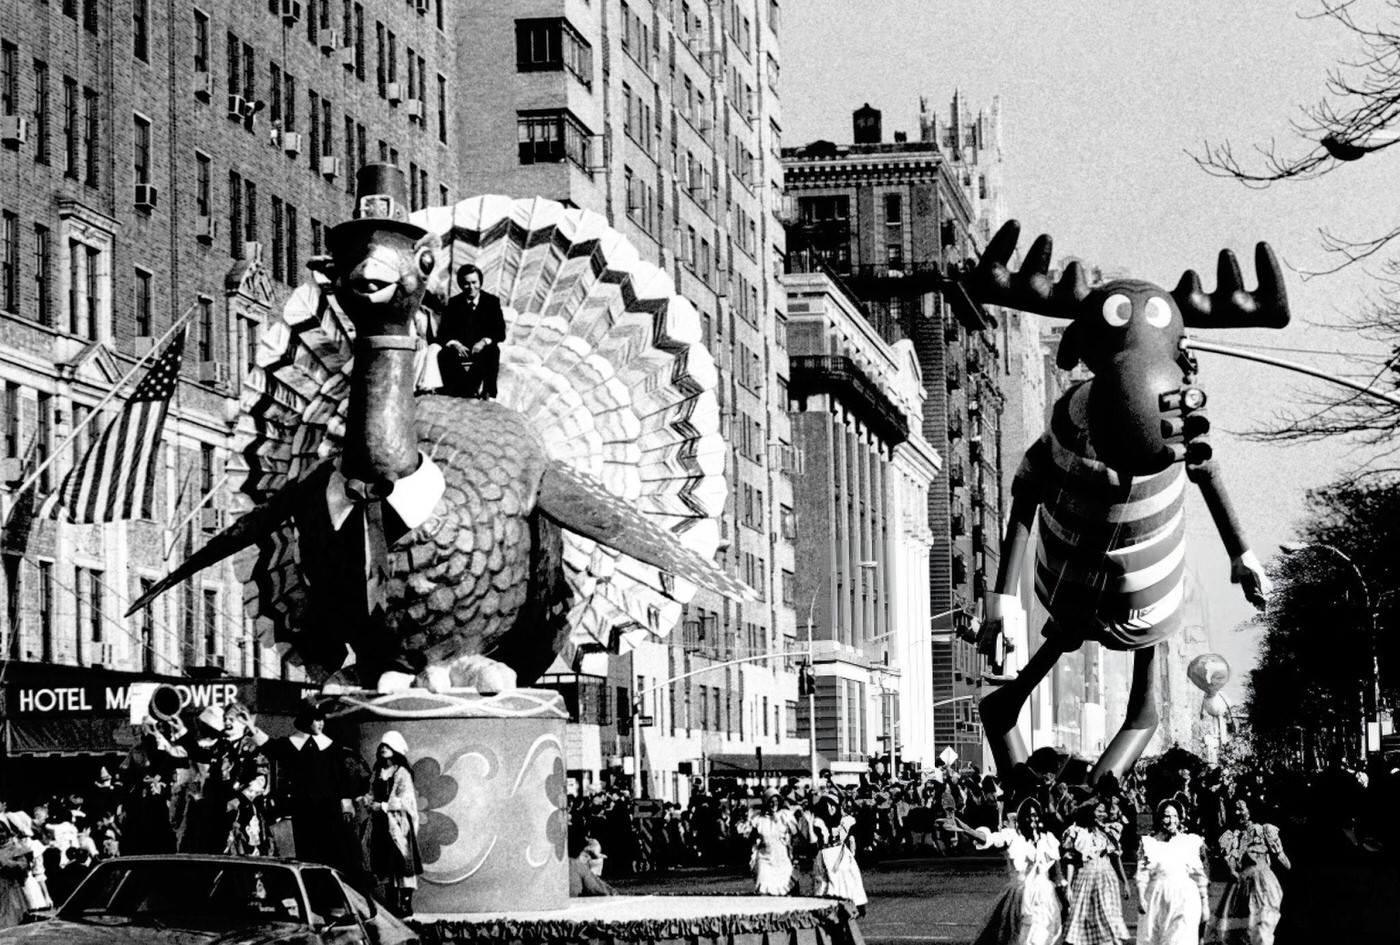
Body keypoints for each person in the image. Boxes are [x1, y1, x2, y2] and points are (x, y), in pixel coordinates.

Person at [949, 798, 1065, 945]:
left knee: (1043, 933)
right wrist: (969, 831)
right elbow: (990, 839)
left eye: (1035, 815)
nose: (1032, 819)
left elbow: (1057, 872)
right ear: (1021, 818)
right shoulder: (1012, 837)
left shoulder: (1048, 839)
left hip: (1044, 897)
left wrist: (1064, 894)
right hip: (1020, 896)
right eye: (1028, 816)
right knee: (1021, 934)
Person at [265, 702, 365, 869]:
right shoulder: (291, 744)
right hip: (302, 809)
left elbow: (342, 776)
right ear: (306, 721)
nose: (320, 723)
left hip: (328, 809)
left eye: (321, 719)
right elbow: (270, 746)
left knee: (331, 853)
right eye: (315, 719)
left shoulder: (333, 747)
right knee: (306, 853)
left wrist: (345, 801)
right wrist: (251, 729)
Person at [1206, 796, 1289, 945]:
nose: (1238, 813)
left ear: (1250, 810)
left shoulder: (1264, 830)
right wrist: (1232, 869)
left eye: (1241, 808)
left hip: (1263, 882)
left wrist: (1288, 867)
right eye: (1235, 809)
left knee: (1263, 925)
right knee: (1243, 930)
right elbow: (1231, 863)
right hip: (1241, 884)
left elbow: (1283, 859)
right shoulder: (1232, 836)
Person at [420, 264, 506, 399]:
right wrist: (455, 344)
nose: (471, 287)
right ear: (460, 284)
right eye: (466, 284)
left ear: (480, 282)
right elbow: (443, 333)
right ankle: (456, 391)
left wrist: (484, 342)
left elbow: (500, 332)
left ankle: (488, 391)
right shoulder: (454, 303)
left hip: (481, 350)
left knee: (493, 351)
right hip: (460, 349)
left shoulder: (492, 302)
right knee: (444, 355)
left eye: (474, 282)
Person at [363, 731, 422, 917]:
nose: (383, 750)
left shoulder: (402, 772)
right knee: (385, 864)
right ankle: (391, 903)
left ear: (395, 749)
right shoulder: (377, 772)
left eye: (387, 747)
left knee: (402, 862)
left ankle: (405, 904)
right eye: (382, 746)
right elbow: (370, 792)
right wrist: (369, 802)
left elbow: (406, 800)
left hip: (398, 824)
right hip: (381, 824)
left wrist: (384, 806)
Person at [1135, 800, 1209, 945]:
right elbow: (1142, 872)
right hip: (1156, 897)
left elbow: (1199, 876)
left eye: (1175, 816)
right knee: (1151, 938)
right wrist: (1141, 897)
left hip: (1184, 897)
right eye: (1167, 816)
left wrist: (1205, 904)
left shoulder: (1189, 842)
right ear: (1159, 818)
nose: (1171, 821)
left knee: (1180, 938)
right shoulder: (1148, 843)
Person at [1061, 798, 1131, 945]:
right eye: (1099, 811)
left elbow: (1115, 858)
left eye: (1104, 811)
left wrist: (1124, 882)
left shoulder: (1109, 832)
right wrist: (1068, 886)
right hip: (1085, 877)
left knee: (1107, 916)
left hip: (1105, 878)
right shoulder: (1077, 832)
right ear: (1090, 812)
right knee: (1081, 918)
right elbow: (1071, 861)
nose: (1103, 814)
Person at [811, 792, 868, 917]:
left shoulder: (845, 820)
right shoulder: (818, 822)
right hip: (826, 855)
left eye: (833, 805)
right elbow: (819, 838)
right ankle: (828, 908)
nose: (830, 809)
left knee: (850, 878)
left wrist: (851, 852)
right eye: (827, 805)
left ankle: (854, 904)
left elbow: (851, 836)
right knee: (827, 882)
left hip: (841, 854)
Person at [741, 789, 795, 896]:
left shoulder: (785, 816)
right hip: (764, 855)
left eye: (776, 801)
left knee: (783, 888)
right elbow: (748, 836)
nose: (773, 804)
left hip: (781, 856)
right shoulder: (758, 818)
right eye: (770, 801)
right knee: (763, 884)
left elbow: (795, 832)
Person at [0, 816, 32, 929]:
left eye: (2, 831)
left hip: (11, 889)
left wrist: (7, 863)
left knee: (11, 921)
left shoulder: (15, 848)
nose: (0, 835)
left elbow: (23, 865)